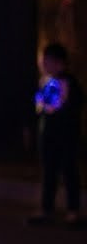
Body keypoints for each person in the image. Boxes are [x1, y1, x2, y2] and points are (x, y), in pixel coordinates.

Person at [29, 41, 83, 225]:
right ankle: (46, 209)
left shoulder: (69, 83)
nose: (44, 64)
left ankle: (73, 210)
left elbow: (72, 107)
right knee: (49, 172)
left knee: (69, 171)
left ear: (60, 63)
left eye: (48, 61)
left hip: (66, 135)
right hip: (47, 135)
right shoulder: (44, 82)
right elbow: (39, 108)